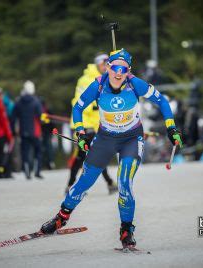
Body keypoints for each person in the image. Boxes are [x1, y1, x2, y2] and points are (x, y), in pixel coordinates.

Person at [40, 49, 183, 249]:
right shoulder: (98, 85)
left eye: (123, 69)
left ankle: (126, 230)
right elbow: (77, 108)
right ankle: (61, 217)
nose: (118, 73)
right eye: (114, 67)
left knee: (124, 182)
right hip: (105, 139)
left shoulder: (135, 84)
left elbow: (162, 101)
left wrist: (171, 127)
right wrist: (80, 133)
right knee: (84, 181)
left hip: (131, 139)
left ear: (128, 71)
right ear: (107, 67)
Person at [67, 52, 117, 195]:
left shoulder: (107, 79)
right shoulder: (86, 80)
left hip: (96, 124)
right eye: (103, 64)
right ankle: (72, 185)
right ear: (97, 64)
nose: (106, 67)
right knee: (85, 155)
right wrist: (96, 105)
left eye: (108, 64)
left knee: (94, 155)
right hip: (84, 123)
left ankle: (72, 185)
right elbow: (78, 102)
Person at [12, 80, 43, 179]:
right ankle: (37, 171)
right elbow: (40, 116)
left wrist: (14, 129)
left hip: (23, 131)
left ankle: (27, 172)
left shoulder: (18, 102)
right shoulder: (36, 101)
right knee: (38, 150)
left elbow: (13, 117)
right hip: (35, 131)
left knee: (25, 151)